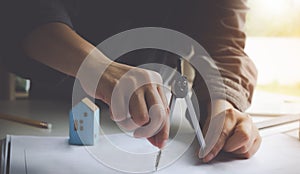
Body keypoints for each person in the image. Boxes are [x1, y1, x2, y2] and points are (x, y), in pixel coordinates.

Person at [0, 0, 261, 162]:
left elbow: (223, 38)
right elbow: (25, 11)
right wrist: (98, 68)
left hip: (159, 108)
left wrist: (224, 101)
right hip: (52, 102)